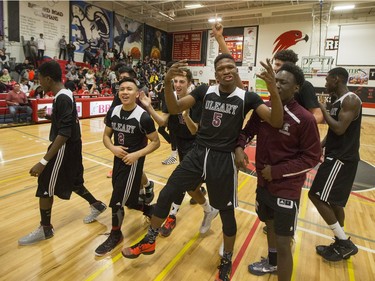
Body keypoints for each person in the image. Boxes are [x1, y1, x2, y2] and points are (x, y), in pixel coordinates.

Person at [121, 55, 284, 281]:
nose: (226, 71)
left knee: (225, 212)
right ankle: (149, 241)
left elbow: (276, 121)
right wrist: (168, 82)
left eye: (230, 67)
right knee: (168, 192)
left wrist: (272, 89)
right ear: (215, 73)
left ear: (235, 71)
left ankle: (227, 257)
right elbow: (176, 107)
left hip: (224, 159)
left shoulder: (247, 97)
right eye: (221, 68)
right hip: (198, 152)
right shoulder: (204, 92)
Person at [237, 63, 321, 280]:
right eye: (276, 80)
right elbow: (247, 132)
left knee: (284, 242)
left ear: (296, 88)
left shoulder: (304, 118)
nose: (278, 85)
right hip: (263, 185)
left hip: (286, 188)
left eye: (284, 82)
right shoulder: (264, 110)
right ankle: (272, 264)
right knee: (270, 226)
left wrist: (277, 171)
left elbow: (311, 158)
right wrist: (239, 147)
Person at [18, 61, 107, 245]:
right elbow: (68, 123)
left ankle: (45, 228)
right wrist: (52, 117)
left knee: (45, 183)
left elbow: (65, 133)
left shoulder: (63, 98)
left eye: (40, 79)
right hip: (73, 147)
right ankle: (97, 205)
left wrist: (43, 162)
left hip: (65, 147)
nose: (39, 83)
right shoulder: (65, 94)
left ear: (48, 79)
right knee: (73, 181)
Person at [138, 68, 211, 237]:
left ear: (189, 83)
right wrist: (149, 108)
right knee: (189, 185)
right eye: (175, 82)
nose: (177, 85)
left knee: (180, 183)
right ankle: (205, 204)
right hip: (181, 143)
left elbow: (195, 131)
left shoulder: (198, 100)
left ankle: (172, 216)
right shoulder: (170, 97)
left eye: (181, 82)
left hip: (196, 144)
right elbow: (163, 121)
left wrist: (186, 116)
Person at [95, 77, 160, 256]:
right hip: (118, 160)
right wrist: (113, 148)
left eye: (129, 89)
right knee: (129, 201)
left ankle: (116, 234)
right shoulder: (114, 110)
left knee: (117, 200)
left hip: (133, 163)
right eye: (122, 89)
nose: (125, 92)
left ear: (137, 94)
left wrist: (136, 155)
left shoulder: (143, 117)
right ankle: (150, 210)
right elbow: (106, 136)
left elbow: (155, 142)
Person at [308, 67, 362, 262]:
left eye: (328, 79)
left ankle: (344, 243)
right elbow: (332, 133)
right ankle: (341, 244)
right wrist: (319, 146)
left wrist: (322, 110)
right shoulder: (338, 101)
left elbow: (339, 129)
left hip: (341, 159)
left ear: (337, 79)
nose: (325, 83)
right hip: (337, 156)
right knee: (335, 202)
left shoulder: (350, 100)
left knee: (315, 195)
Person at [107, 65, 155, 208]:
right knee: (131, 173)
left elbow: (149, 125)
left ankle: (143, 189)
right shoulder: (118, 97)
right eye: (120, 80)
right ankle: (143, 189)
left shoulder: (141, 96)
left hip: (138, 137)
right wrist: (111, 145)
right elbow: (112, 118)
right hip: (121, 138)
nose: (122, 82)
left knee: (135, 168)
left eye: (125, 78)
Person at [273, 49, 323, 124]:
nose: (274, 68)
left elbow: (318, 115)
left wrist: (299, 127)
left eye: (278, 65)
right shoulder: (275, 85)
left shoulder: (305, 85)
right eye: (275, 64)